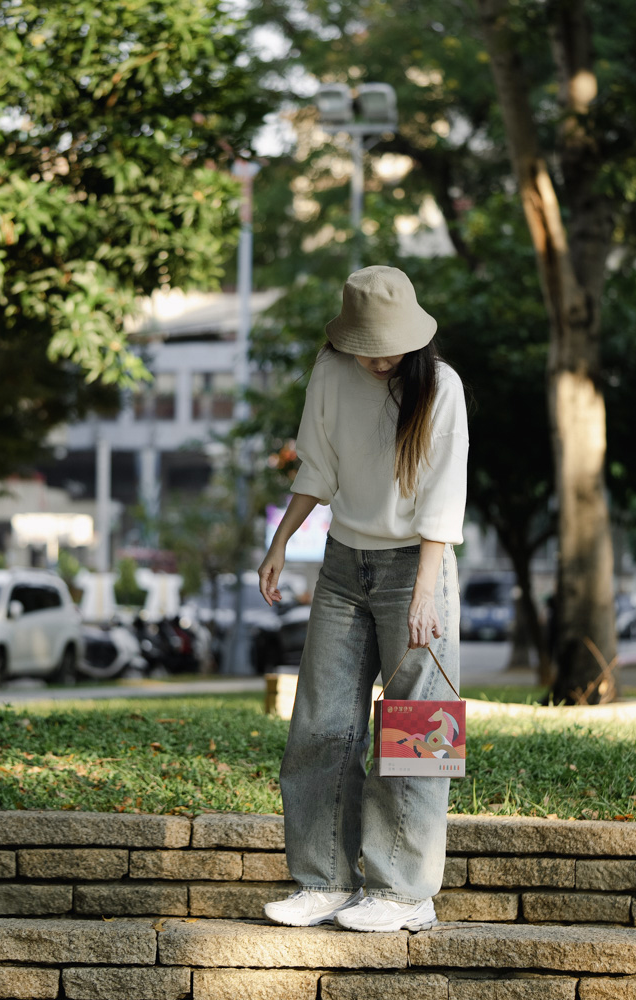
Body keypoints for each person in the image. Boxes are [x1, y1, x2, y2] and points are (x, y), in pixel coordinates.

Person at [257, 265, 468, 933]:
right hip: (345, 565)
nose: (378, 360)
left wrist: (426, 593)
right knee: (320, 724)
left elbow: (444, 497)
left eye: (389, 348)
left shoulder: (442, 387)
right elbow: (317, 467)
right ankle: (322, 880)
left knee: (419, 729)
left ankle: (405, 893)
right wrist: (280, 542)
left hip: (418, 566)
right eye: (366, 348)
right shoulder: (331, 371)